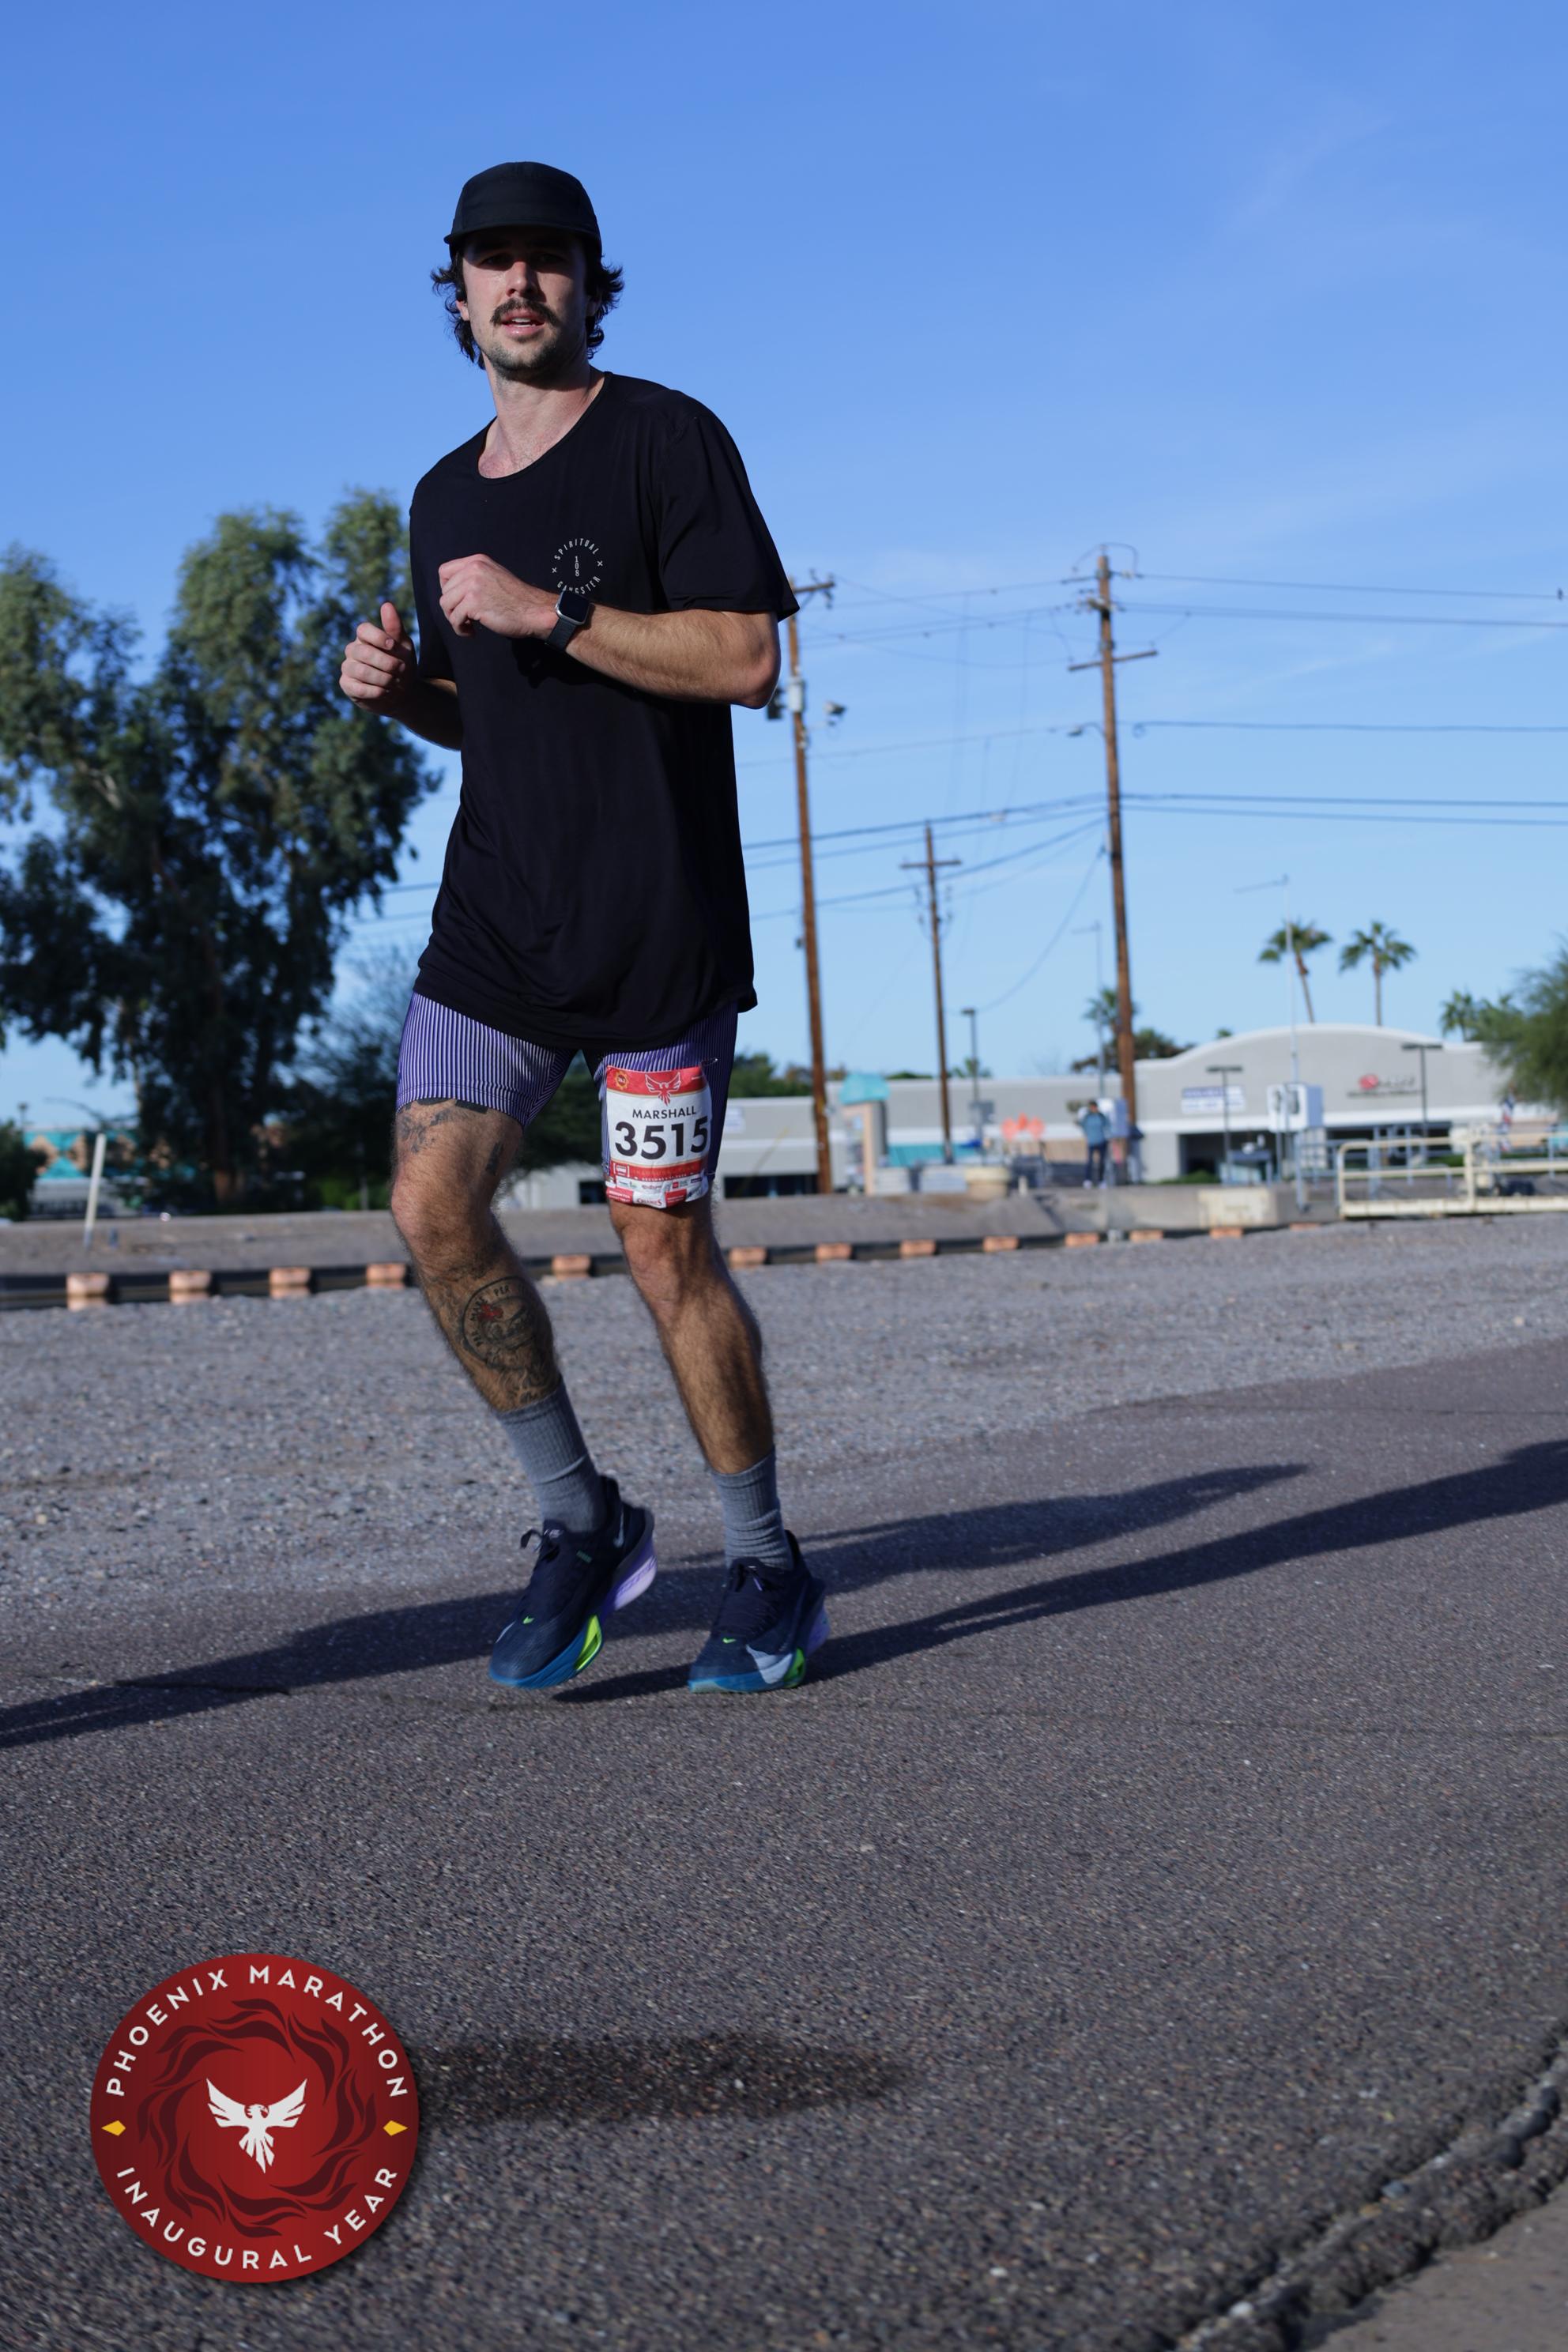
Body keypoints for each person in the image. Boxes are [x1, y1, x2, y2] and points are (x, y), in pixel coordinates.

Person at [338, 161, 827, 1696]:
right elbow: (488, 716)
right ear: (456, 292)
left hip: (656, 929)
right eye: (490, 261)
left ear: (587, 284)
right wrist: (402, 692)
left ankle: (765, 1565)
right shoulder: (441, 497)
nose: (518, 284)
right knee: (430, 1207)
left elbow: (745, 657)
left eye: (546, 260)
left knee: (659, 1250)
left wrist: (545, 610)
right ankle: (579, 1519)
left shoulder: (666, 438)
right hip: (497, 925)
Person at [1077, 1101, 1110, 1187]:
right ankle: (1088, 1180)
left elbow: (1107, 1126)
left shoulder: (1101, 1116)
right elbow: (1082, 1126)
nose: (1093, 1109)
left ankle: (1101, 1180)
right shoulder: (1087, 1117)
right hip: (1091, 1142)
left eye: (1094, 1107)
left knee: (1101, 1162)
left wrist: (1108, 1137)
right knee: (1090, 1162)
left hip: (1101, 1141)